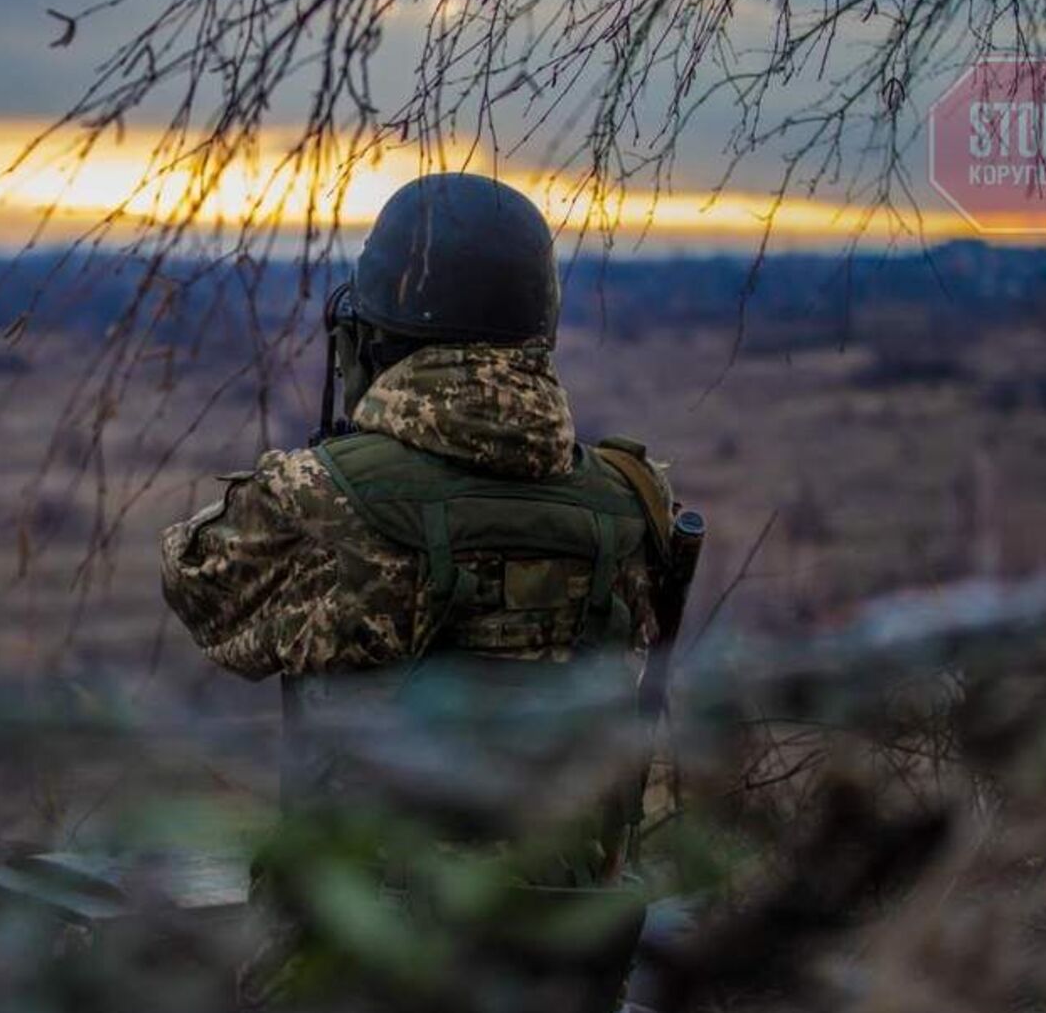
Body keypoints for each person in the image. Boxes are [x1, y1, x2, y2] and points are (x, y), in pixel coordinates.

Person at [160, 173, 681, 1011]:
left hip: (357, 955)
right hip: (561, 945)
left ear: (376, 335)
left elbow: (197, 583)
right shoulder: (632, 503)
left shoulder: (321, 500)